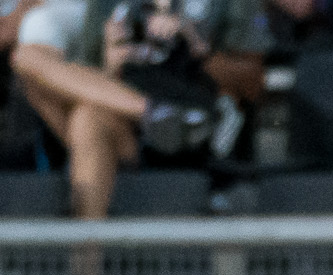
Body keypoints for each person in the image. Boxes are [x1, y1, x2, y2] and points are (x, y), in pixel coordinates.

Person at [10, 0, 263, 219]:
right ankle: (87, 257)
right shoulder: (109, 4)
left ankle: (155, 114)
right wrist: (113, 62)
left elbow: (252, 81)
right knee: (79, 108)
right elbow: (91, 80)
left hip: (195, 127)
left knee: (87, 119)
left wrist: (193, 45)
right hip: (132, 130)